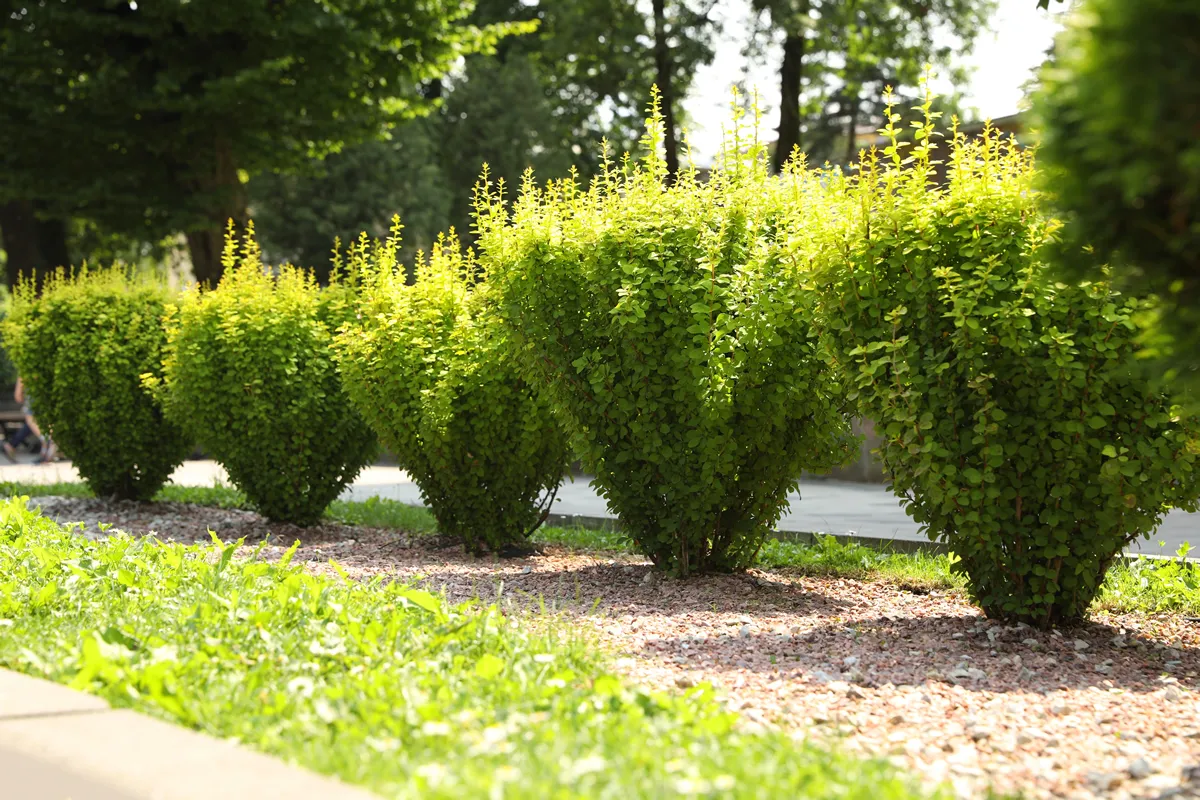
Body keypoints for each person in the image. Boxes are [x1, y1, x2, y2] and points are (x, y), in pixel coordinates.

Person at [2, 377, 56, 463]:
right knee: (37, 424)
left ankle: (48, 443)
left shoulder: (25, 369)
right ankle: (45, 451)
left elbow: (18, 396)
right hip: (49, 400)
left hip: (34, 400)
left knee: (31, 421)